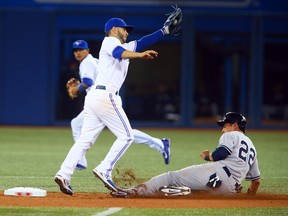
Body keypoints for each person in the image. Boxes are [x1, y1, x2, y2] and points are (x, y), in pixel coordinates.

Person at [55, 16, 177, 195]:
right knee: (127, 136)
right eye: (124, 28)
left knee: (85, 140)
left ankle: (63, 174)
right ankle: (104, 169)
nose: (127, 32)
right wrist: (140, 55)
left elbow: (142, 42)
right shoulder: (110, 41)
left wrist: (163, 31)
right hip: (106, 96)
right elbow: (120, 53)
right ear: (114, 29)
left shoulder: (122, 45)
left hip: (95, 97)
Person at [67, 40, 171, 170]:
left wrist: (76, 90)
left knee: (124, 134)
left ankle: (161, 143)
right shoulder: (94, 61)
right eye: (75, 51)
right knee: (78, 123)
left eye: (80, 49)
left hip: (102, 101)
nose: (78, 52)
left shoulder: (86, 62)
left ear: (87, 50)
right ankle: (160, 143)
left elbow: (88, 82)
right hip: (105, 100)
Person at [112, 112, 261, 197]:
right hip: (230, 190)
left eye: (225, 125)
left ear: (235, 125)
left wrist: (208, 156)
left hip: (216, 175)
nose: (223, 129)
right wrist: (248, 197)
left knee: (171, 177)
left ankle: (133, 192)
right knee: (197, 194)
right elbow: (256, 182)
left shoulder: (232, 135)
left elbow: (220, 154)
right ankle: (184, 191)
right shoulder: (252, 148)